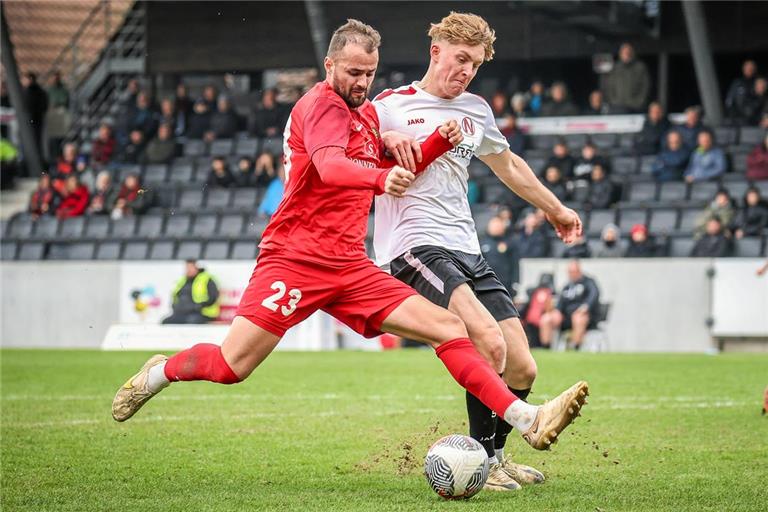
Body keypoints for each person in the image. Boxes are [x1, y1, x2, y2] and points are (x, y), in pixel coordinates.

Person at [112, 20, 588, 478]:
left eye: (369, 73)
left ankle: (525, 419)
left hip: (349, 265)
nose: (362, 82)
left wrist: (435, 144)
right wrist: (383, 174)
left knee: (447, 326)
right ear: (329, 65)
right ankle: (160, 372)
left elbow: (402, 161)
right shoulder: (319, 106)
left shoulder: (368, 115)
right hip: (295, 261)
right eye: (353, 72)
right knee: (231, 366)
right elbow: (330, 168)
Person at [371, 12, 586, 491]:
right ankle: (481, 466)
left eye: (475, 64)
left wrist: (556, 208)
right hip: (414, 246)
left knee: (524, 364)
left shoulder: (476, 110)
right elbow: (351, 151)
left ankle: (493, 458)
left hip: (467, 248)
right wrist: (386, 138)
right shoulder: (389, 106)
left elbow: (508, 164)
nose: (466, 70)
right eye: (460, 59)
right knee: (489, 342)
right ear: (436, 51)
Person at [538, 260, 600, 349]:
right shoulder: (567, 286)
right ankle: (546, 347)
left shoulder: (589, 282)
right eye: (569, 272)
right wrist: (556, 312)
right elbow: (560, 303)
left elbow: (594, 294)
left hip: (583, 316)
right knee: (546, 318)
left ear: (579, 271)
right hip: (566, 318)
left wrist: (585, 307)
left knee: (578, 317)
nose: (571, 274)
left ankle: (575, 347)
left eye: (573, 271)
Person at [162, 260, 221, 324]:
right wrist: (176, 307)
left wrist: (198, 306)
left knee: (191, 322)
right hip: (182, 313)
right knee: (166, 321)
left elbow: (213, 297)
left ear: (197, 268)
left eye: (191, 267)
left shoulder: (206, 279)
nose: (189, 270)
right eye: (187, 268)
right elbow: (175, 296)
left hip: (202, 313)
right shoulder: (182, 281)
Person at [601, 42, 650, 113]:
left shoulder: (640, 67)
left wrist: (639, 101)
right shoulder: (614, 68)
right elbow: (608, 86)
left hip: (636, 106)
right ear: (620, 54)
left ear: (633, 53)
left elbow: (645, 86)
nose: (627, 54)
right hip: (617, 106)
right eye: (625, 52)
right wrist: (613, 101)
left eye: (629, 52)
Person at [479, 215, 519, 297]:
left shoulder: (509, 242)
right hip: (486, 283)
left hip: (505, 284)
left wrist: (515, 283)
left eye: (498, 225)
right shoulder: (481, 242)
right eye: (493, 225)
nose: (495, 227)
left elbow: (515, 264)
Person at [22, 72, 49, 158]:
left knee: (30, 140)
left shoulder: (29, 92)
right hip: (38, 119)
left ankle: (31, 159)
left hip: (32, 119)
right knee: (37, 141)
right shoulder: (41, 91)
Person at [725, 60, 757, 125]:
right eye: (747, 68)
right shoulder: (737, 83)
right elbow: (729, 100)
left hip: (754, 118)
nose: (749, 70)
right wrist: (732, 114)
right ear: (743, 69)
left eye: (751, 68)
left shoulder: (758, 82)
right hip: (738, 118)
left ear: (754, 70)